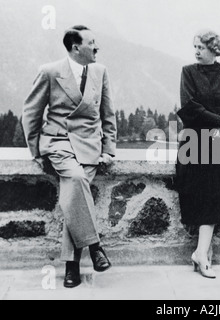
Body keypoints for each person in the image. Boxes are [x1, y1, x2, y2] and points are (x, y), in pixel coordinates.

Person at [23, 25, 117, 288]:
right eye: (92, 43)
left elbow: (108, 114)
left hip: (89, 146)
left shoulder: (100, 71)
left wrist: (108, 149)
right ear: (76, 48)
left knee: (75, 198)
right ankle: (95, 245)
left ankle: (72, 266)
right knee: (76, 180)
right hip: (59, 143)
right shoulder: (50, 72)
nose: (97, 47)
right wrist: (37, 151)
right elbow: (31, 112)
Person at [176, 30, 220, 279]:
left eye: (201, 47)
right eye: (194, 47)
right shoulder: (188, 72)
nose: (196, 51)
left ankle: (201, 254)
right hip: (195, 143)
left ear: (214, 49)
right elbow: (189, 106)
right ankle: (202, 253)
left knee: (215, 196)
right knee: (200, 195)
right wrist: (218, 121)